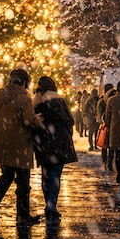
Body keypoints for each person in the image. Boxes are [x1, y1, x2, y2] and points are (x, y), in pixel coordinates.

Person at [0, 68, 40, 225]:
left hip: (3, 143)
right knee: (23, 181)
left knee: (7, 176)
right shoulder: (24, 98)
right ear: (24, 82)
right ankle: (23, 215)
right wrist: (36, 119)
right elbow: (28, 121)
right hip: (20, 143)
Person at [32, 75, 77, 223]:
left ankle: (48, 203)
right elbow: (69, 120)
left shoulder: (35, 103)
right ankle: (51, 206)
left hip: (42, 141)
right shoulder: (58, 100)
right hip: (59, 141)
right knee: (56, 175)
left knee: (45, 175)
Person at [96, 83, 115, 170]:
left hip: (104, 126)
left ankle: (105, 162)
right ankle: (110, 163)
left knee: (104, 145)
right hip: (113, 125)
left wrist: (101, 121)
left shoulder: (102, 100)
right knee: (111, 146)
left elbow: (100, 115)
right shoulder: (113, 100)